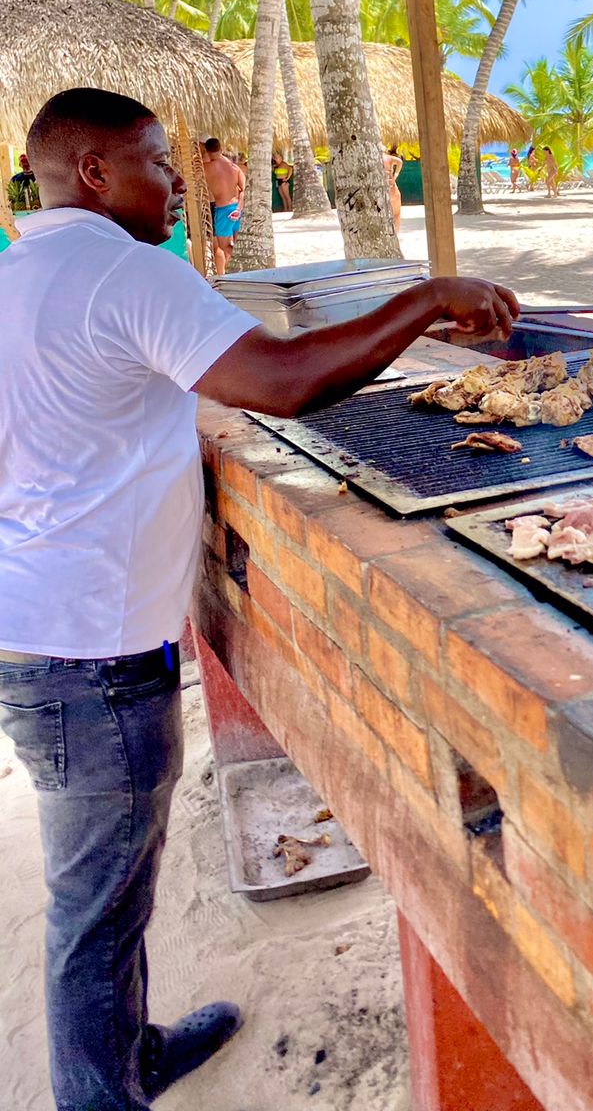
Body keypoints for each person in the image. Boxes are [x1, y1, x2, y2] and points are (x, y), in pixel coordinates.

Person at [0, 87, 518, 1111]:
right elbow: (279, 380)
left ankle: (127, 1050)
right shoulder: (128, 269)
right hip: (88, 653)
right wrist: (422, 301)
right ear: (95, 172)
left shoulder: (23, 271)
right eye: (157, 161)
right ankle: (100, 1094)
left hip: (45, 625)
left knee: (112, 883)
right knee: (95, 906)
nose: (179, 179)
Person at [199, 137, 244, 276]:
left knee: (222, 246)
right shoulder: (235, 168)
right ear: (221, 148)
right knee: (237, 244)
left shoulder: (205, 168)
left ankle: (233, 269)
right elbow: (243, 190)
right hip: (236, 207)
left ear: (206, 151)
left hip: (223, 209)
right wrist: (239, 209)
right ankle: (238, 267)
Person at [382, 146, 405, 236]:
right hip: (391, 186)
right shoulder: (388, 158)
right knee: (396, 213)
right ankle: (396, 234)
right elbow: (399, 162)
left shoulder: (374, 158)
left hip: (379, 186)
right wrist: (395, 175)